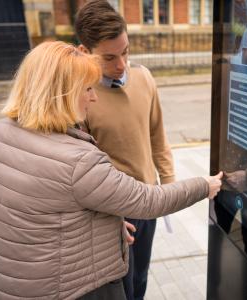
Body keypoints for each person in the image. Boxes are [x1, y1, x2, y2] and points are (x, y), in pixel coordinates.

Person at [0, 41, 223, 300]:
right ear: (62, 93)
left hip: (2, 285)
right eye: (88, 89)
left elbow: (0, 208)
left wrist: (105, 224)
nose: (94, 97)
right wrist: (205, 185)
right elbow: (149, 201)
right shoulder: (78, 161)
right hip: (69, 290)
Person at [74, 1, 177, 299]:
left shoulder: (144, 77)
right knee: (121, 287)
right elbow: (82, 170)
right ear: (84, 52)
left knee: (141, 278)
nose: (121, 65)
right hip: (113, 215)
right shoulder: (82, 97)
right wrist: (109, 220)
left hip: (149, 203)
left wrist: (168, 188)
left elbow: (158, 136)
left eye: (125, 52)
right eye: (109, 57)